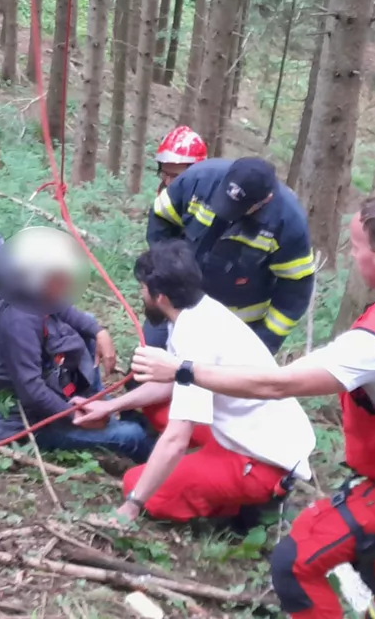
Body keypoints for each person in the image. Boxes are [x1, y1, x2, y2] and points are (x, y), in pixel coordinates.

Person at [131, 196, 375, 619]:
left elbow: (276, 384)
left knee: (296, 564)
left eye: (355, 246)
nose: (350, 254)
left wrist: (181, 369)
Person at [74, 240, 315, 524]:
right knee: (156, 405)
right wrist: (110, 406)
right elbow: (172, 382)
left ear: (160, 297)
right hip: (244, 427)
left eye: (143, 290)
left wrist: (133, 504)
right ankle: (194, 472)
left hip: (261, 461)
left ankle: (245, 506)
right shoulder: (195, 312)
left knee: (135, 484)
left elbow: (176, 438)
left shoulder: (196, 337)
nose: (141, 295)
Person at [0, 227, 153, 462]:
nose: (67, 281)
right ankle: (156, 469)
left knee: (87, 322)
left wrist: (100, 333)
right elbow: (32, 391)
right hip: (44, 421)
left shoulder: (39, 295)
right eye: (60, 276)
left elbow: (70, 314)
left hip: (63, 394)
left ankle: (98, 401)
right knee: (133, 434)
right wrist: (76, 416)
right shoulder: (20, 322)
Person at [147, 156, 315, 355]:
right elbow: (161, 218)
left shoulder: (288, 224)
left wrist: (263, 343)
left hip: (235, 327)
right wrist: (165, 273)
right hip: (176, 304)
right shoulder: (199, 179)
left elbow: (295, 291)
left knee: (206, 383)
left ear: (265, 200)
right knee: (147, 365)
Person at [153, 125, 208, 193]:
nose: (167, 182)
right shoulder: (163, 192)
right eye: (164, 174)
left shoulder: (211, 200)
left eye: (175, 177)